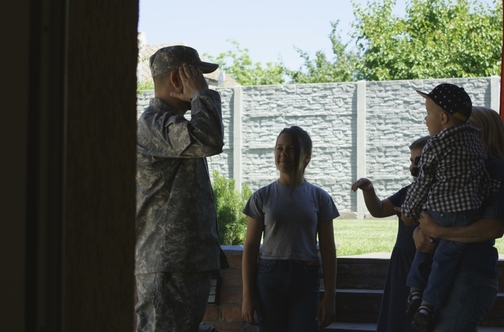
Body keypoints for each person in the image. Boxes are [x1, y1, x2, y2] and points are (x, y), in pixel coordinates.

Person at [135, 45, 226, 332]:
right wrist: (202, 95)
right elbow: (209, 139)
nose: (204, 82)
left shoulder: (170, 125)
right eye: (197, 75)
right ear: (178, 79)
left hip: (179, 264)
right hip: (166, 266)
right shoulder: (155, 125)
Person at [400, 84, 497, 332]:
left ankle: (415, 292)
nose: (425, 119)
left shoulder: (436, 145)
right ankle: (426, 305)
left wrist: (409, 213)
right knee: (442, 257)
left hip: (441, 214)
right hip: (467, 214)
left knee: (426, 253)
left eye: (427, 113)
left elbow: (423, 183)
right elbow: (483, 182)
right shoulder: (476, 145)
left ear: (443, 118)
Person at [413, 106, 504, 332]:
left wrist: (440, 232)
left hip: (469, 274)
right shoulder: (455, 167)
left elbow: (493, 227)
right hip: (440, 275)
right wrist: (419, 232)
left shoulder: (495, 169)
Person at [241, 126, 339, 332]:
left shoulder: (320, 198)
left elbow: (329, 251)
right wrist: (247, 295)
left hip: (306, 280)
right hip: (269, 278)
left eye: (291, 149)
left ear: (306, 157)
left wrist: (330, 296)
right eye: (279, 148)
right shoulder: (262, 197)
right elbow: (250, 248)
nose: (283, 154)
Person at [351, 136, 430, 332]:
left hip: (427, 263)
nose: (413, 166)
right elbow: (379, 210)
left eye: (418, 161)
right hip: (402, 264)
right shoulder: (406, 192)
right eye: (411, 161)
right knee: (398, 315)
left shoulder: (442, 193)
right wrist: (369, 191)